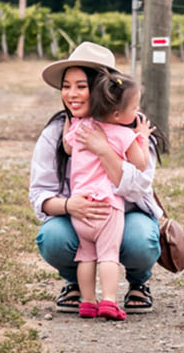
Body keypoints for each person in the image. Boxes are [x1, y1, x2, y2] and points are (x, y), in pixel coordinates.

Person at [30, 42, 162, 315]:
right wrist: (69, 206)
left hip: (124, 214)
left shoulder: (132, 128)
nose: (71, 94)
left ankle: (138, 283)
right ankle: (74, 284)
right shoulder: (59, 130)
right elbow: (40, 194)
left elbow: (139, 188)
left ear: (103, 90)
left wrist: (103, 149)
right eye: (66, 86)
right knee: (53, 236)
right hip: (79, 215)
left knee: (140, 239)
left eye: (81, 86)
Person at [63, 71, 149, 320]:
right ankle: (109, 301)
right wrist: (141, 137)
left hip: (81, 206)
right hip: (107, 207)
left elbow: (68, 147)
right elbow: (141, 163)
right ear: (116, 115)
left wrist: (71, 121)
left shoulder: (82, 128)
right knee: (108, 255)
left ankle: (88, 302)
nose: (137, 112)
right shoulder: (124, 135)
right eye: (134, 107)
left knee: (86, 255)